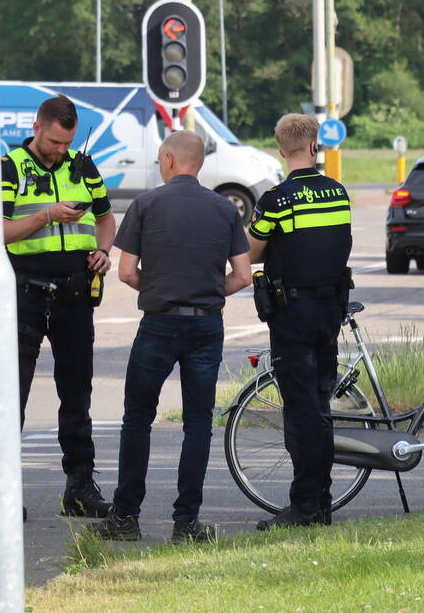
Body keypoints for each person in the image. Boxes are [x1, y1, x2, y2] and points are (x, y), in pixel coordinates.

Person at [92, 130, 251, 544]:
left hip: (159, 324)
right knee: (198, 424)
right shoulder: (225, 208)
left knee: (137, 418)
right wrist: (208, 291)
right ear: (199, 163)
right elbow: (242, 276)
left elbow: (126, 272)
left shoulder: (146, 204)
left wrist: (159, 288)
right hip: (206, 326)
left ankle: (125, 517)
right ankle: (186, 523)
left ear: (168, 159)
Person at [2, 94, 117, 519]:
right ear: (36, 128)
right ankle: (3, 493)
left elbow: (106, 218)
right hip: (25, 294)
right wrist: (46, 215)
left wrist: (103, 251)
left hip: (74, 295)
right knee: (12, 394)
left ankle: (80, 487)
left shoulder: (83, 167)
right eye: (54, 142)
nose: (60, 150)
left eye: (67, 142)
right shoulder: (10, 167)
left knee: (77, 392)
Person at [247, 114, 352, 530]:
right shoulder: (338, 193)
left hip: (292, 316)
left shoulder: (277, 200)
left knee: (301, 411)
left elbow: (252, 251)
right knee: (320, 407)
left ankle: (305, 506)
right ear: (314, 146)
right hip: (330, 314)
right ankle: (321, 501)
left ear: (280, 149)